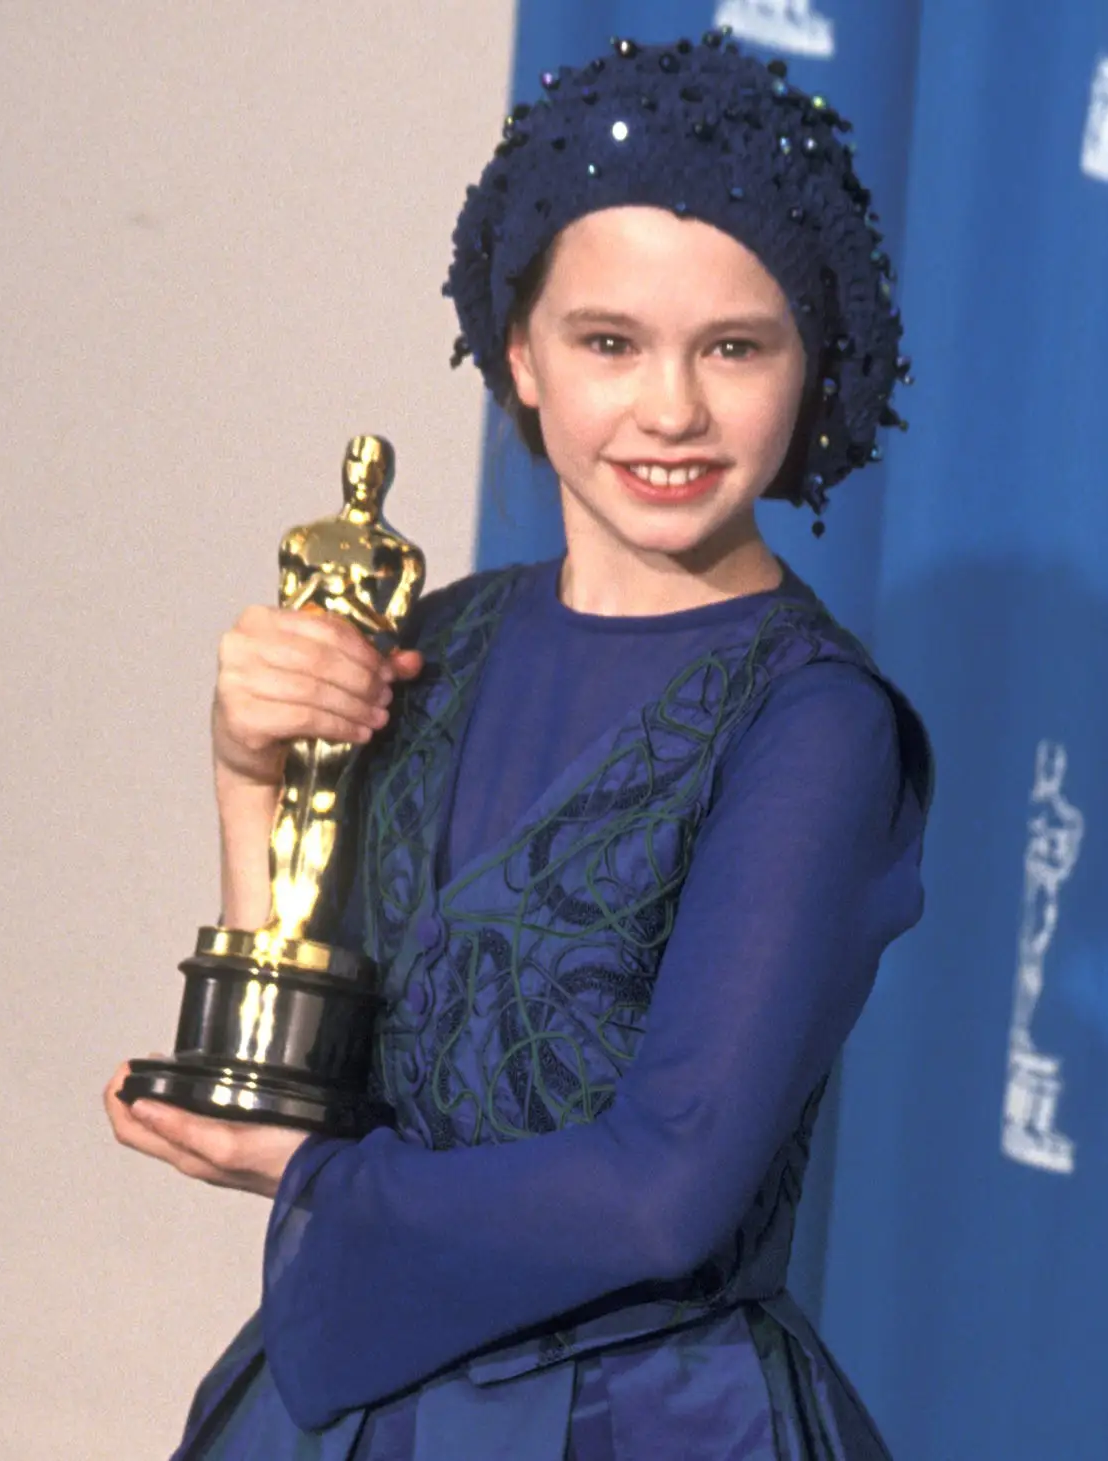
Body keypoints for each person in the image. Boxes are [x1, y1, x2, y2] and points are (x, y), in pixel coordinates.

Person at [105, 29, 933, 1460]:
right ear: (520, 357)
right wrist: (250, 778)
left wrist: (303, 1174)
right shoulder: (440, 637)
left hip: (646, 1414)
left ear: (812, 365)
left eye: (733, 346)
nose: (669, 408)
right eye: (609, 342)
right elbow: (320, 1049)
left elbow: (664, 1190)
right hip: (349, 1403)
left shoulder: (815, 725)